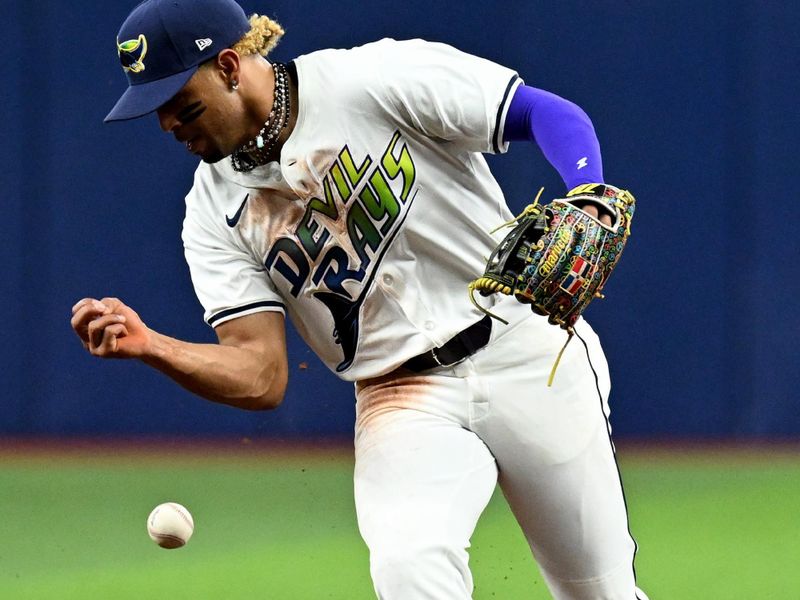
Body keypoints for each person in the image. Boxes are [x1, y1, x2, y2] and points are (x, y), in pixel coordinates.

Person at [71, 0, 648, 598]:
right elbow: (260, 375)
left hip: (525, 350)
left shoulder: (370, 79)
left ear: (227, 66)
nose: (169, 125)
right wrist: (151, 346)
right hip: (402, 397)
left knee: (597, 592)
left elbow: (544, 112)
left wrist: (588, 191)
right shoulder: (212, 214)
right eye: (156, 111)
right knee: (408, 565)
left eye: (180, 104)